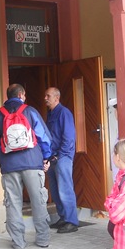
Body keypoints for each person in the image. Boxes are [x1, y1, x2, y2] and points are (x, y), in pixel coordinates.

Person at [0, 84, 53, 249]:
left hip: (9, 165)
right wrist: (46, 157)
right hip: (32, 162)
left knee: (13, 203)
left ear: (8, 96)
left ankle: (18, 242)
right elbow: (43, 136)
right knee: (38, 201)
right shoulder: (30, 111)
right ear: (22, 94)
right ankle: (43, 239)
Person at [44, 87, 79, 233]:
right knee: (55, 190)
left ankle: (72, 221)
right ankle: (63, 217)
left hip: (62, 157)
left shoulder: (64, 113)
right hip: (53, 157)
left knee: (65, 189)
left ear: (56, 98)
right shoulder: (51, 113)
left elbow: (69, 137)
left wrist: (60, 155)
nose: (45, 98)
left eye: (48, 96)